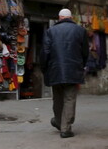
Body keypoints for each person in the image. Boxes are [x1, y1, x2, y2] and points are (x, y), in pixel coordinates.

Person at [42, 8, 89, 138]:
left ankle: (58, 121)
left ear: (59, 17)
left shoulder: (50, 31)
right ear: (71, 17)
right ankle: (65, 128)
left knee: (57, 98)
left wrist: (44, 69)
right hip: (73, 70)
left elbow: (45, 52)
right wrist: (82, 66)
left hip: (55, 70)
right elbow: (85, 52)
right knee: (69, 99)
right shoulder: (80, 31)